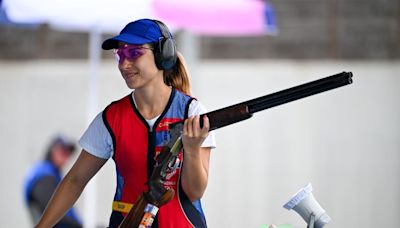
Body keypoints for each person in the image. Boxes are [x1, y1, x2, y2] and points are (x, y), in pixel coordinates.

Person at [35, 18, 216, 228]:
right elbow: (75, 180)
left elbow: (194, 192)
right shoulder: (112, 118)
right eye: (120, 54)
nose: (124, 64)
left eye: (134, 53)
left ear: (162, 54)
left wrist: (192, 150)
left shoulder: (192, 112)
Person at [24, 134, 82, 228]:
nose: (66, 155)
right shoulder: (44, 175)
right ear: (52, 150)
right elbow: (53, 214)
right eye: (62, 150)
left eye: (68, 152)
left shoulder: (53, 174)